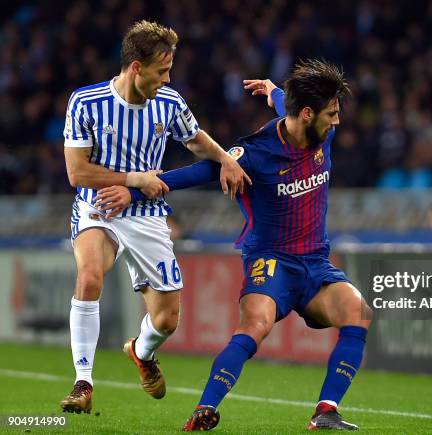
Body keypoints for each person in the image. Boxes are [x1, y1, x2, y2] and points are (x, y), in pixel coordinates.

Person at [96, 59, 372, 431]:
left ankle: (326, 411)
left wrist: (273, 90)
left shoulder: (320, 132)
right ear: (307, 114)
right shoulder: (255, 152)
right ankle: (204, 409)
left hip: (315, 264)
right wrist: (134, 189)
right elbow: (204, 170)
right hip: (270, 261)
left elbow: (282, 102)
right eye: (332, 113)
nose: (337, 122)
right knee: (255, 327)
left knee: (358, 312)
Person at [60, 20, 250, 414]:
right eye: (161, 71)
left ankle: (141, 352)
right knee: (90, 275)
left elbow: (196, 140)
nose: (167, 78)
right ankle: (83, 382)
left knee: (166, 321)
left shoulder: (170, 103)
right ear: (135, 68)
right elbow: (77, 173)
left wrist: (226, 159)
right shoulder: (86, 102)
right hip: (101, 207)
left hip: (147, 215)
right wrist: (133, 179)